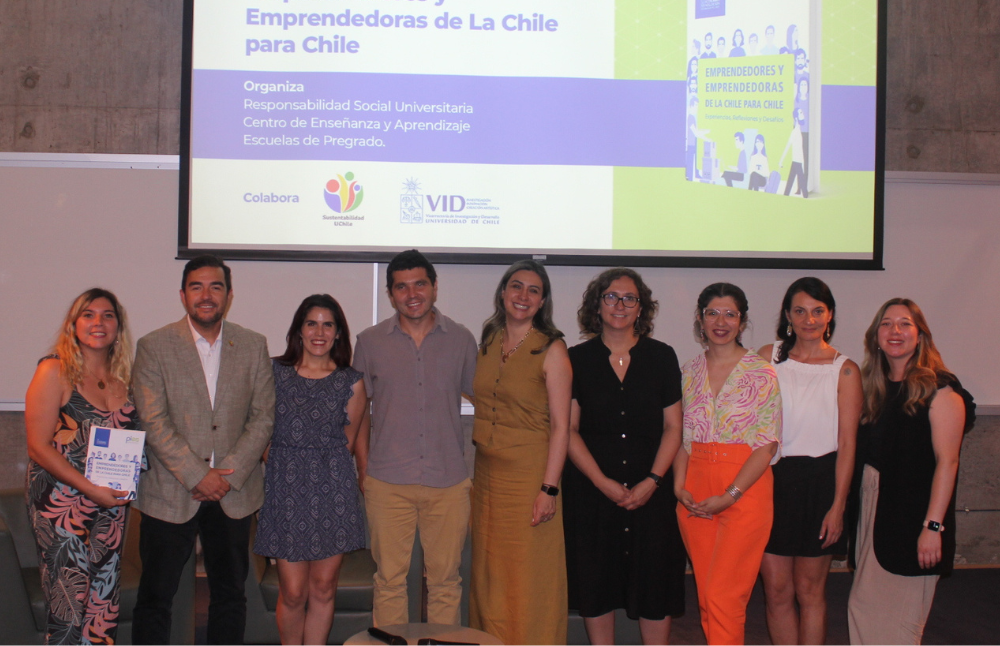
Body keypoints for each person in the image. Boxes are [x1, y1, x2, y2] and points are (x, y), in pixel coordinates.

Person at [132, 255, 275, 645]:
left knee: (230, 596)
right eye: (197, 287)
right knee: (155, 598)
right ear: (183, 295)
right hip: (169, 492)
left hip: (233, 491)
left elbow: (263, 418)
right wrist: (199, 475)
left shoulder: (252, 344)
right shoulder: (154, 346)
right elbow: (152, 420)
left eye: (216, 287)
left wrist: (224, 476)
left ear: (229, 295)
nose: (206, 295)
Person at [352, 249, 478, 627]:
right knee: (388, 581)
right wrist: (364, 468)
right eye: (401, 287)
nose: (412, 294)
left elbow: (487, 401)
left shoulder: (461, 339)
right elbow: (358, 413)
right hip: (387, 480)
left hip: (448, 481)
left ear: (434, 287)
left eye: (419, 284)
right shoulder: (370, 342)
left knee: (445, 582)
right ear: (391, 295)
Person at [563, 268, 686, 645]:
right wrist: (603, 484)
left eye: (629, 298)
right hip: (592, 496)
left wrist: (653, 481)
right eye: (611, 297)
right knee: (595, 585)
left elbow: (673, 428)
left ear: (641, 308)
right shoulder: (575, 359)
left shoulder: (662, 356)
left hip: (653, 496)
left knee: (654, 588)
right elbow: (567, 430)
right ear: (596, 305)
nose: (620, 305)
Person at [847, 299, 975, 645]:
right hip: (874, 513)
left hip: (914, 521)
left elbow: (947, 463)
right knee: (862, 610)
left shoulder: (941, 390)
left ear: (920, 336)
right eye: (887, 324)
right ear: (875, 336)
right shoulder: (872, 387)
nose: (895, 331)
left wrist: (933, 527)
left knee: (898, 626)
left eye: (905, 324)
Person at [25, 288, 138, 644]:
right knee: (69, 604)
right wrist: (91, 490)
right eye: (88, 315)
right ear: (73, 325)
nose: (98, 323)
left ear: (118, 327)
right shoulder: (54, 370)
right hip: (62, 507)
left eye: (107, 315)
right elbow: (38, 446)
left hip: (111, 507)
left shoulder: (124, 383)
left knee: (102, 604)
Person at [254, 294, 367, 645]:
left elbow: (347, 442)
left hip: (333, 492)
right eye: (312, 323)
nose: (319, 331)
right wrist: (283, 461)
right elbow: (259, 430)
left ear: (338, 333)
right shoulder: (274, 372)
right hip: (285, 493)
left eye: (328, 324)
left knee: (323, 588)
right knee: (292, 591)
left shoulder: (352, 380)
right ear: (299, 330)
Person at [470, 260, 572, 645]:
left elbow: (562, 427)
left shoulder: (552, 348)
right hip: (487, 477)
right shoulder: (489, 338)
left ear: (542, 300)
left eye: (533, 290)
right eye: (516, 287)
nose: (523, 296)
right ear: (502, 292)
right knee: (489, 574)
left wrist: (549, 489)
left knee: (527, 577)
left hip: (531, 477)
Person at [674, 283, 781, 645]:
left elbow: (766, 446)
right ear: (700, 319)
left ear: (742, 320)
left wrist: (731, 493)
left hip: (744, 489)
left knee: (724, 596)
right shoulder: (688, 372)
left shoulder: (761, 372)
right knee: (707, 597)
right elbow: (682, 439)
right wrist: (678, 486)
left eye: (730, 314)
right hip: (695, 489)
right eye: (712, 313)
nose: (721, 322)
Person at [758, 278, 862, 645]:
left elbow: (848, 443)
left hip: (821, 485)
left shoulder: (845, 369)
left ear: (830, 315)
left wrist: (838, 506)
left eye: (818, 311)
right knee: (777, 591)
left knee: (810, 591)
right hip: (771, 482)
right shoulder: (767, 357)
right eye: (800, 311)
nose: (809, 319)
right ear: (787, 315)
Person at [779, 113, 808, 197]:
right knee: (801, 181)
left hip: (798, 160)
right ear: (796, 118)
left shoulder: (798, 131)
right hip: (797, 160)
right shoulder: (795, 132)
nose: (802, 115)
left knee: (791, 180)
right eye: (800, 113)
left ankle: (786, 195)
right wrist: (781, 160)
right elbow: (787, 146)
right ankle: (805, 196)